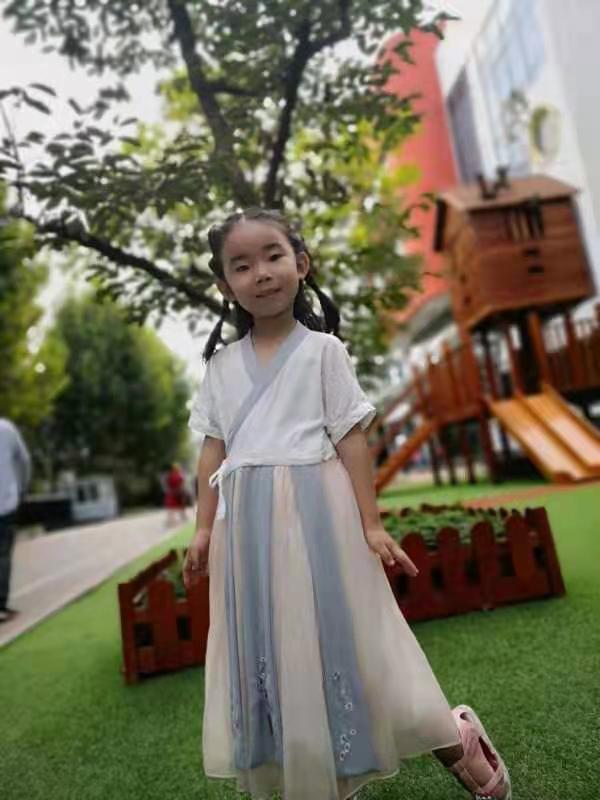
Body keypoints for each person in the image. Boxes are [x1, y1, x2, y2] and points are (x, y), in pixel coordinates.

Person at [183, 208, 511, 800]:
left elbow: (351, 439)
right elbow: (213, 449)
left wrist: (372, 524)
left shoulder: (323, 352)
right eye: (242, 265)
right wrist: (204, 530)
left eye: (273, 256)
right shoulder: (221, 368)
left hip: (320, 519)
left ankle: (454, 737)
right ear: (225, 284)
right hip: (247, 534)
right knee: (277, 652)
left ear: (301, 264)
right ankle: (324, 778)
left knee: (359, 641)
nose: (262, 273)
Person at [0, 417, 32, 624]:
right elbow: (24, 460)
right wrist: (23, 487)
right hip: (5, 502)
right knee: (2, 555)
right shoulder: (6, 428)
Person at [163, 462, 189, 528]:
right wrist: (183, 491)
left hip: (172, 492)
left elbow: (167, 484)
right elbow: (182, 484)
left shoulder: (170, 475)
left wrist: (169, 490)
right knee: (180, 506)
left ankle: (171, 521)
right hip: (178, 492)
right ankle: (182, 518)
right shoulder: (179, 475)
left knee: (171, 507)